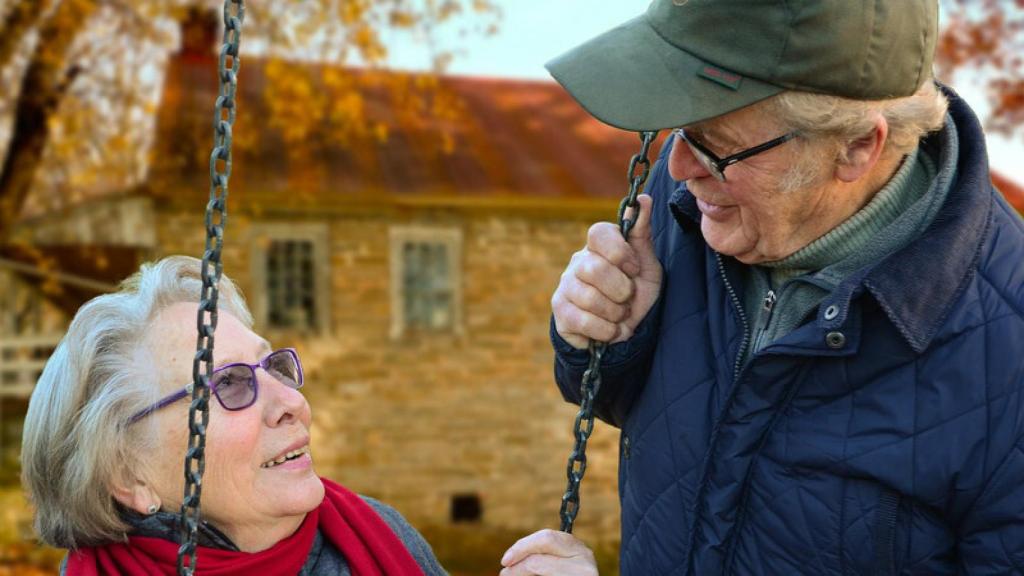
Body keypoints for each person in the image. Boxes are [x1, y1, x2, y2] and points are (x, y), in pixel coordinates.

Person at [544, 0, 1024, 574]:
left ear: (855, 149)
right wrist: (609, 340)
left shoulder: (1009, 353)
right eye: (679, 130)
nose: (679, 168)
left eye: (716, 144)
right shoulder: (699, 202)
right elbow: (667, 418)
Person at [21, 255, 447, 575]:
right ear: (128, 476)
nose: (292, 405)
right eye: (228, 383)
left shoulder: (382, 537)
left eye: (273, 367)